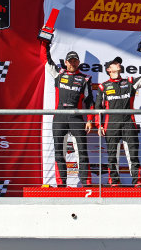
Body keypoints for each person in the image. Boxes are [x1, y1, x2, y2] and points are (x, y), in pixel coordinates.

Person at [94, 55, 141, 187]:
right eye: (115, 63)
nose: (118, 64)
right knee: (112, 156)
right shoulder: (103, 87)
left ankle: (137, 182)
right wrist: (98, 125)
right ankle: (114, 182)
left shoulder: (130, 82)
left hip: (129, 123)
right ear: (109, 69)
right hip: (111, 124)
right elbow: (98, 107)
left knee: (133, 155)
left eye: (118, 63)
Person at [42, 42, 93, 187]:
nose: (73, 63)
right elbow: (46, 60)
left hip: (77, 118)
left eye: (75, 61)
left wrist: (89, 120)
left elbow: (89, 101)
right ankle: (61, 184)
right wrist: (45, 43)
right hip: (59, 118)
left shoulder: (85, 79)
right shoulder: (59, 74)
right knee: (59, 152)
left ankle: (86, 183)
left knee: (82, 152)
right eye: (70, 61)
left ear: (78, 62)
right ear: (65, 62)